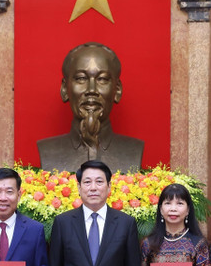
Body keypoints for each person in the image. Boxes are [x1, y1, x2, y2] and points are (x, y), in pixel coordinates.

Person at [37, 42, 144, 173]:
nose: (91, 90)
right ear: (65, 89)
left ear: (117, 90)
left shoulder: (134, 149)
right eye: (81, 78)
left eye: (102, 79)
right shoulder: (48, 150)